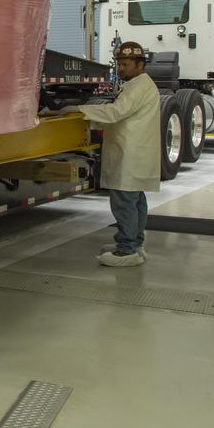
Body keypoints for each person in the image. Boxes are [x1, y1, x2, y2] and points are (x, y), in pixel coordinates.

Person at [77, 41, 160, 266]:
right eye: (119, 64)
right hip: (133, 154)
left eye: (125, 64)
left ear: (140, 64)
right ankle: (134, 243)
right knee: (135, 201)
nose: (120, 69)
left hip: (130, 156)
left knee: (125, 202)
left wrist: (81, 110)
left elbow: (117, 112)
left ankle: (127, 250)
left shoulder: (139, 87)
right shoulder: (137, 85)